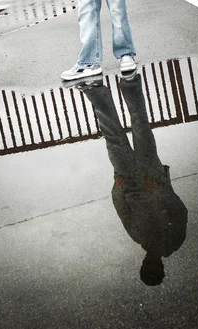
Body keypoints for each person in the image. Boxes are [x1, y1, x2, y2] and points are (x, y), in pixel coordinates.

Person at [75, 71, 188, 286]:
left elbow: (122, 209)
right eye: (153, 268)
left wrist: (117, 189)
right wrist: (160, 191)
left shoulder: (138, 238)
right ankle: (130, 83)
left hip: (127, 180)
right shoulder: (174, 241)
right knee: (140, 125)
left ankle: (95, 90)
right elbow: (180, 211)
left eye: (146, 267)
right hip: (152, 177)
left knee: (112, 134)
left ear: (143, 265)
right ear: (161, 267)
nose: (149, 264)